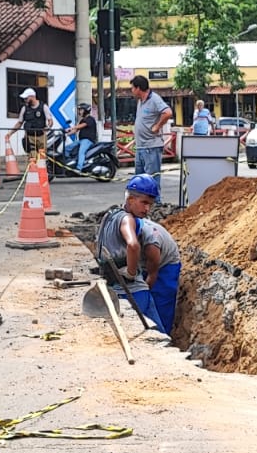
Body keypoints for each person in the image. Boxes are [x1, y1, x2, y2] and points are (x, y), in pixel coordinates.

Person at [93, 175, 163, 330]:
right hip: (132, 291)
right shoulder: (127, 219)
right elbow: (133, 245)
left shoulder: (110, 215)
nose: (147, 209)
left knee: (151, 334)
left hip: (117, 288)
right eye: (144, 203)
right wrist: (131, 272)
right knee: (155, 333)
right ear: (130, 199)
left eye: (150, 205)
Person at [138, 214, 181, 338]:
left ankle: (162, 337)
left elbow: (152, 276)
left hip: (166, 265)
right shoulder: (122, 228)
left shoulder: (152, 243)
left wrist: (143, 293)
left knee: (160, 302)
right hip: (144, 262)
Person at [130, 74, 172, 177]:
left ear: (138, 88)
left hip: (151, 147)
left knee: (151, 180)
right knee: (140, 180)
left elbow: (168, 112)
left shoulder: (154, 99)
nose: (132, 90)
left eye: (133, 88)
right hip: (140, 146)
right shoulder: (140, 101)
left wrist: (157, 126)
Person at [5, 87, 55, 158]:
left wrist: (48, 127)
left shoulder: (43, 107)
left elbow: (50, 121)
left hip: (41, 137)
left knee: (42, 158)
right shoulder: (24, 109)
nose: (25, 100)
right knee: (32, 158)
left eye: (26, 98)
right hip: (29, 137)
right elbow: (19, 123)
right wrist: (10, 133)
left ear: (32, 97)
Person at [66, 103, 98, 171]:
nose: (79, 112)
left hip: (88, 140)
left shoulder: (90, 119)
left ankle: (79, 168)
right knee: (67, 148)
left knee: (81, 152)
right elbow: (76, 130)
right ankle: (68, 164)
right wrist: (66, 134)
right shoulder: (82, 120)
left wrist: (71, 128)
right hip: (81, 140)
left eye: (81, 110)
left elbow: (82, 125)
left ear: (86, 110)